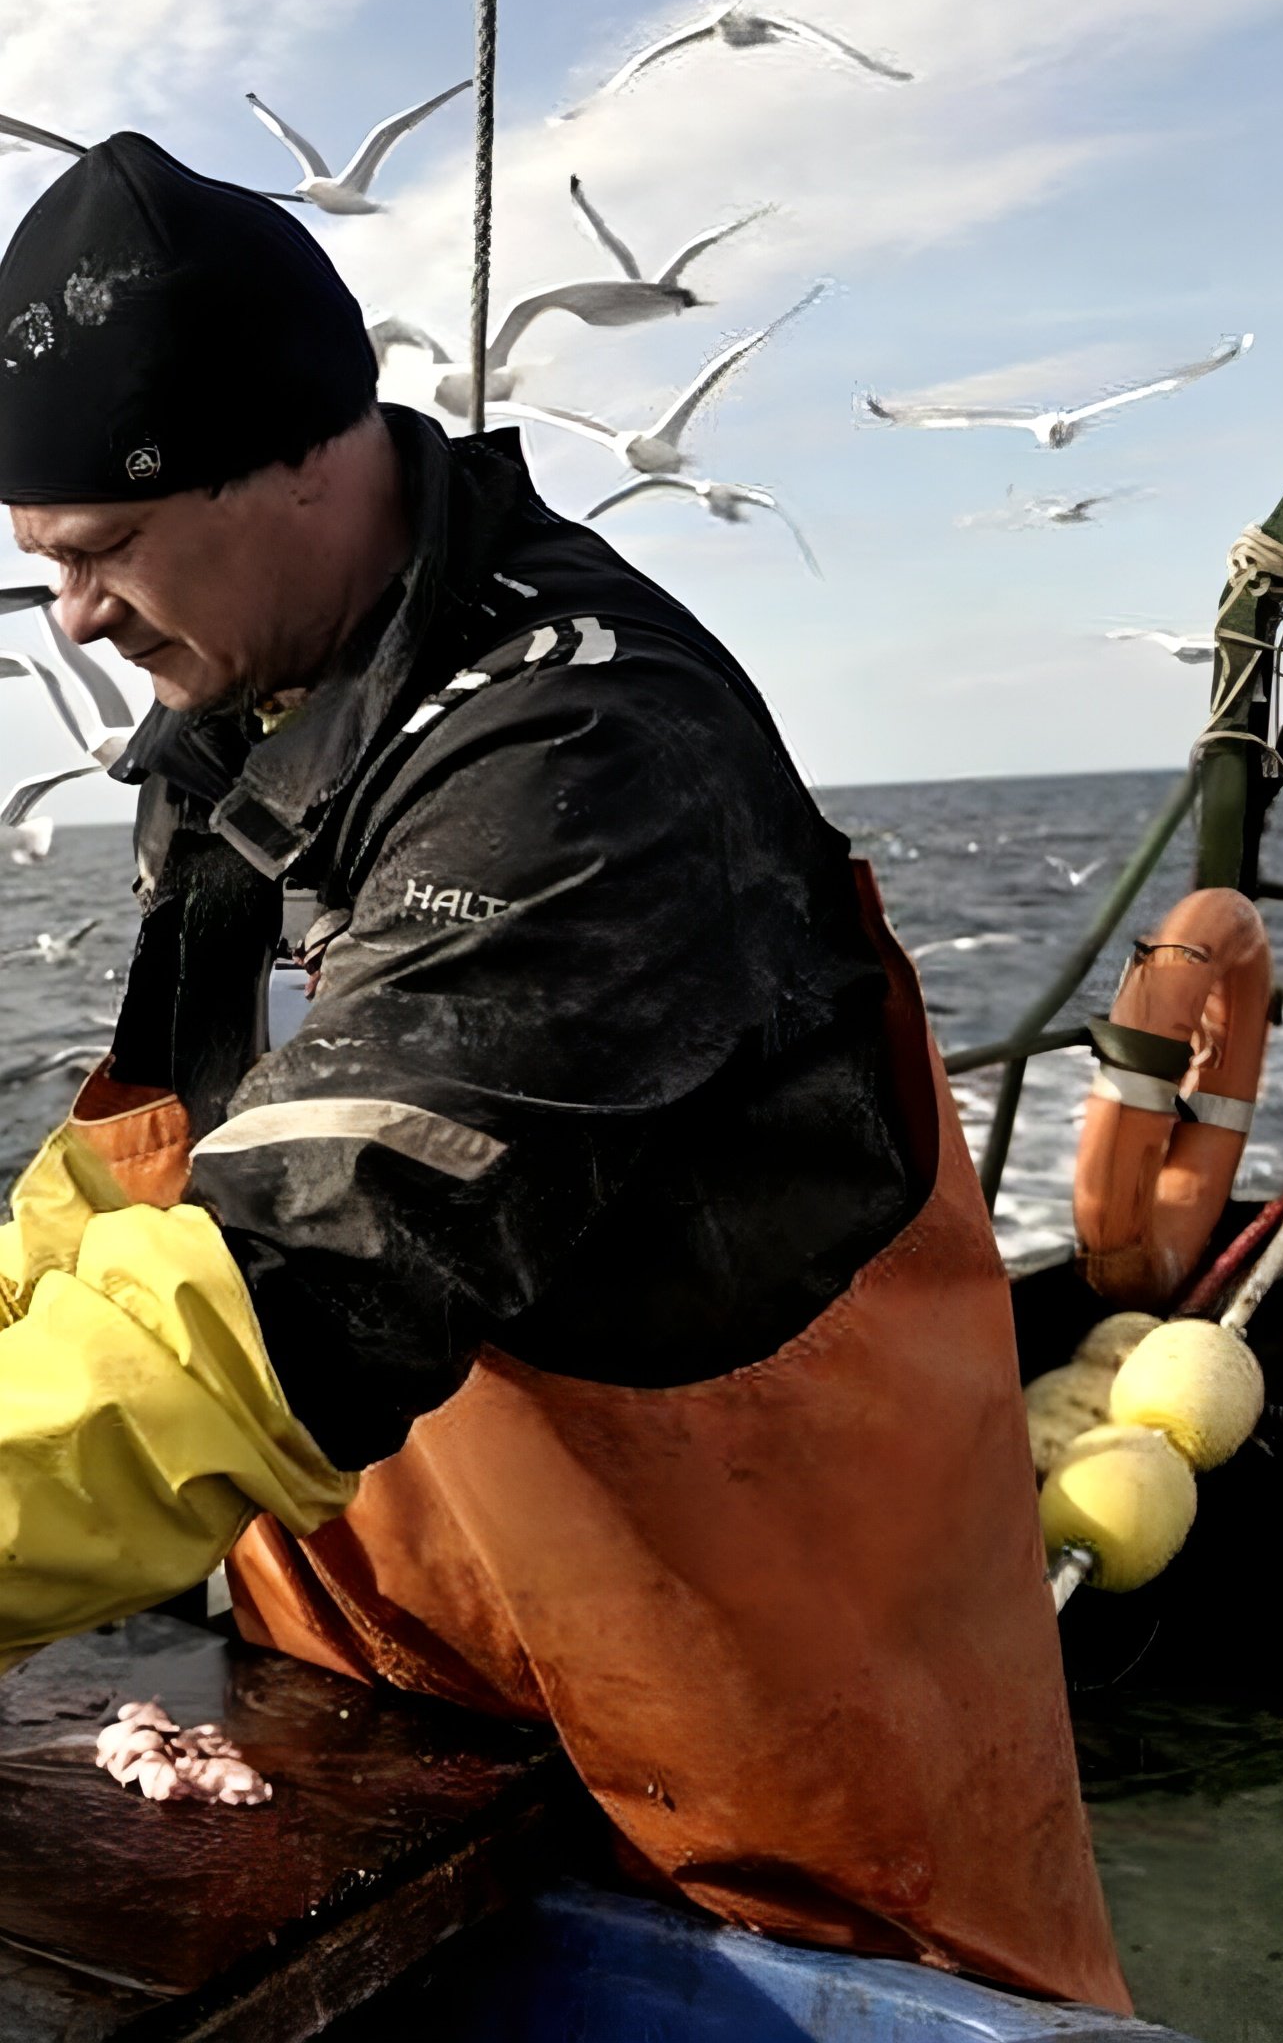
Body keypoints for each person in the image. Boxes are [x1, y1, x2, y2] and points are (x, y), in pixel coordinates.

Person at [0, 134, 1126, 2011]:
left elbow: (285, 1293)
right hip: (383, 1710)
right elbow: (149, 1163)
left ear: (293, 456)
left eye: (104, 553)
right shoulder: (250, 715)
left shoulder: (588, 758)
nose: (75, 626)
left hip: (767, 1769)